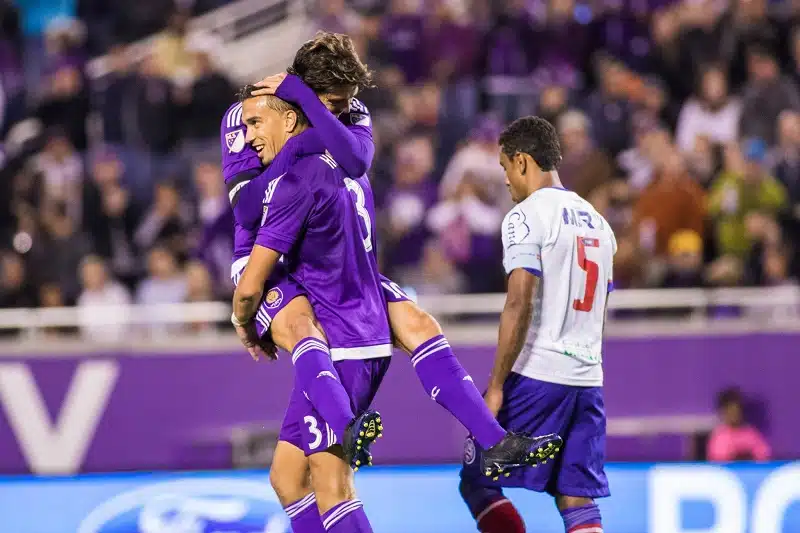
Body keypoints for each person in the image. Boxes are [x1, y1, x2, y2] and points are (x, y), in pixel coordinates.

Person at [247, 31, 561, 476]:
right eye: (333, 100)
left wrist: (309, 116)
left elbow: (356, 158)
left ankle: (495, 442)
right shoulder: (270, 123)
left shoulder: (345, 115)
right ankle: (351, 426)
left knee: (419, 323)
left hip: (353, 271)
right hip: (307, 280)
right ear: (309, 94)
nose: (343, 108)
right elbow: (245, 204)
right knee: (311, 483)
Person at [232, 87, 388, 532]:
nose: (248, 137)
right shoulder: (344, 158)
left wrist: (244, 320)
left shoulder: (300, 177)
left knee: (331, 482)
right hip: (348, 331)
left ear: (289, 121)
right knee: (286, 476)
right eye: (243, 127)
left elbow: (252, 282)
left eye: (257, 123)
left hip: (338, 343)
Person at [459, 116, 616, 533]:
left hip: (537, 377)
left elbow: (519, 301)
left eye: (505, 168)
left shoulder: (527, 215)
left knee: (477, 481)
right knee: (577, 499)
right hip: (588, 381)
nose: (506, 181)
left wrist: (495, 386)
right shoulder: (599, 223)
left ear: (523, 162)